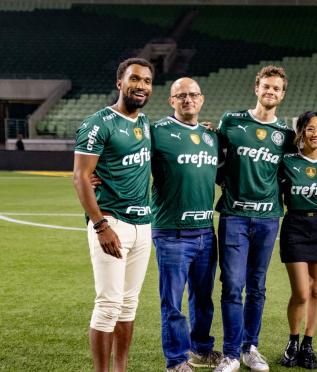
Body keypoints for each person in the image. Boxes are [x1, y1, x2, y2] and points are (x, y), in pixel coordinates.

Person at [72, 57, 154, 372]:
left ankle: (121, 368)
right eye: (135, 79)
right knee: (108, 305)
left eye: (147, 81)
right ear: (120, 83)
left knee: (129, 306)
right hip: (112, 222)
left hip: (143, 225)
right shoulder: (99, 122)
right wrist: (101, 225)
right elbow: (81, 177)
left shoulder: (145, 122)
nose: (141, 86)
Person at [213, 66, 296, 372]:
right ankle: (231, 353)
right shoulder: (232, 121)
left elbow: (292, 172)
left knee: (257, 286)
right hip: (234, 216)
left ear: (282, 94)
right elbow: (214, 161)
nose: (270, 92)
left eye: (276, 88)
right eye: (266, 86)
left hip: (268, 219)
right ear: (256, 88)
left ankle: (250, 348)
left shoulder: (286, 136)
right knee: (233, 285)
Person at [150, 78, 222, 371]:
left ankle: (201, 349)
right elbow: (128, 156)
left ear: (202, 99)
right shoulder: (157, 133)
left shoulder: (211, 136)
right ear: (172, 101)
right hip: (172, 233)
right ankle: (176, 360)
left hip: (206, 231)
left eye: (193, 95)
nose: (188, 99)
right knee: (173, 303)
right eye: (181, 95)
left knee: (203, 299)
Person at [278, 111, 317, 370]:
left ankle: (308, 344)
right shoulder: (287, 161)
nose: (316, 134)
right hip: (295, 226)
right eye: (310, 129)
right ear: (301, 132)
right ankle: (293, 340)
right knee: (301, 292)